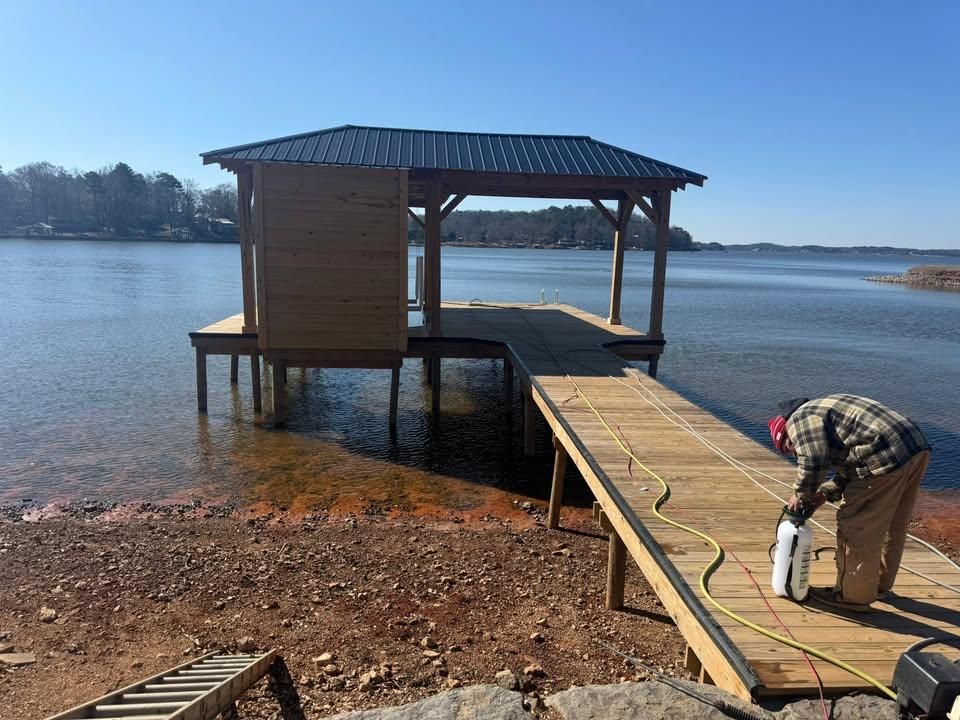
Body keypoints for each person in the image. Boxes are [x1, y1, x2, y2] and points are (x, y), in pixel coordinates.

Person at [767, 394, 930, 612]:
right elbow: (851, 468)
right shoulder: (825, 411)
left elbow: (814, 459)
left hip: (883, 453)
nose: (795, 452)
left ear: (784, 434)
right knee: (892, 525)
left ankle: (852, 596)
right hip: (914, 446)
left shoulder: (798, 420)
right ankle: (877, 586)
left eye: (790, 449)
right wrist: (823, 494)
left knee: (856, 527)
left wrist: (801, 493)